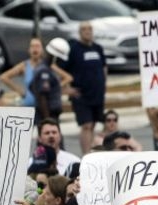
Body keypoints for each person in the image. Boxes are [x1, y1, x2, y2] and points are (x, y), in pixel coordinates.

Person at [60, 21, 107, 155]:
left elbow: (104, 67)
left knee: (93, 125)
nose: (88, 31)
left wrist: (104, 85)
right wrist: (66, 89)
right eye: (84, 29)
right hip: (81, 95)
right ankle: (86, 156)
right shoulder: (74, 49)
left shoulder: (98, 48)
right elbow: (60, 69)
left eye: (90, 29)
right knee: (86, 125)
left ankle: (91, 153)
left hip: (97, 93)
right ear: (80, 32)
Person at [30, 37, 73, 122]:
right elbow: (42, 96)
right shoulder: (44, 71)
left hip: (52, 115)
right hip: (48, 115)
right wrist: (47, 119)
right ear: (55, 57)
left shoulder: (47, 69)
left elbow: (32, 87)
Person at [0, 38, 44, 108]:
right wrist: (20, 91)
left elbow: (67, 78)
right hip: (28, 105)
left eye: (37, 46)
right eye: (32, 46)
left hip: (44, 107)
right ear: (29, 50)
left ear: (42, 50)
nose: (35, 49)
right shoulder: (24, 65)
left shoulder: (47, 65)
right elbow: (3, 77)